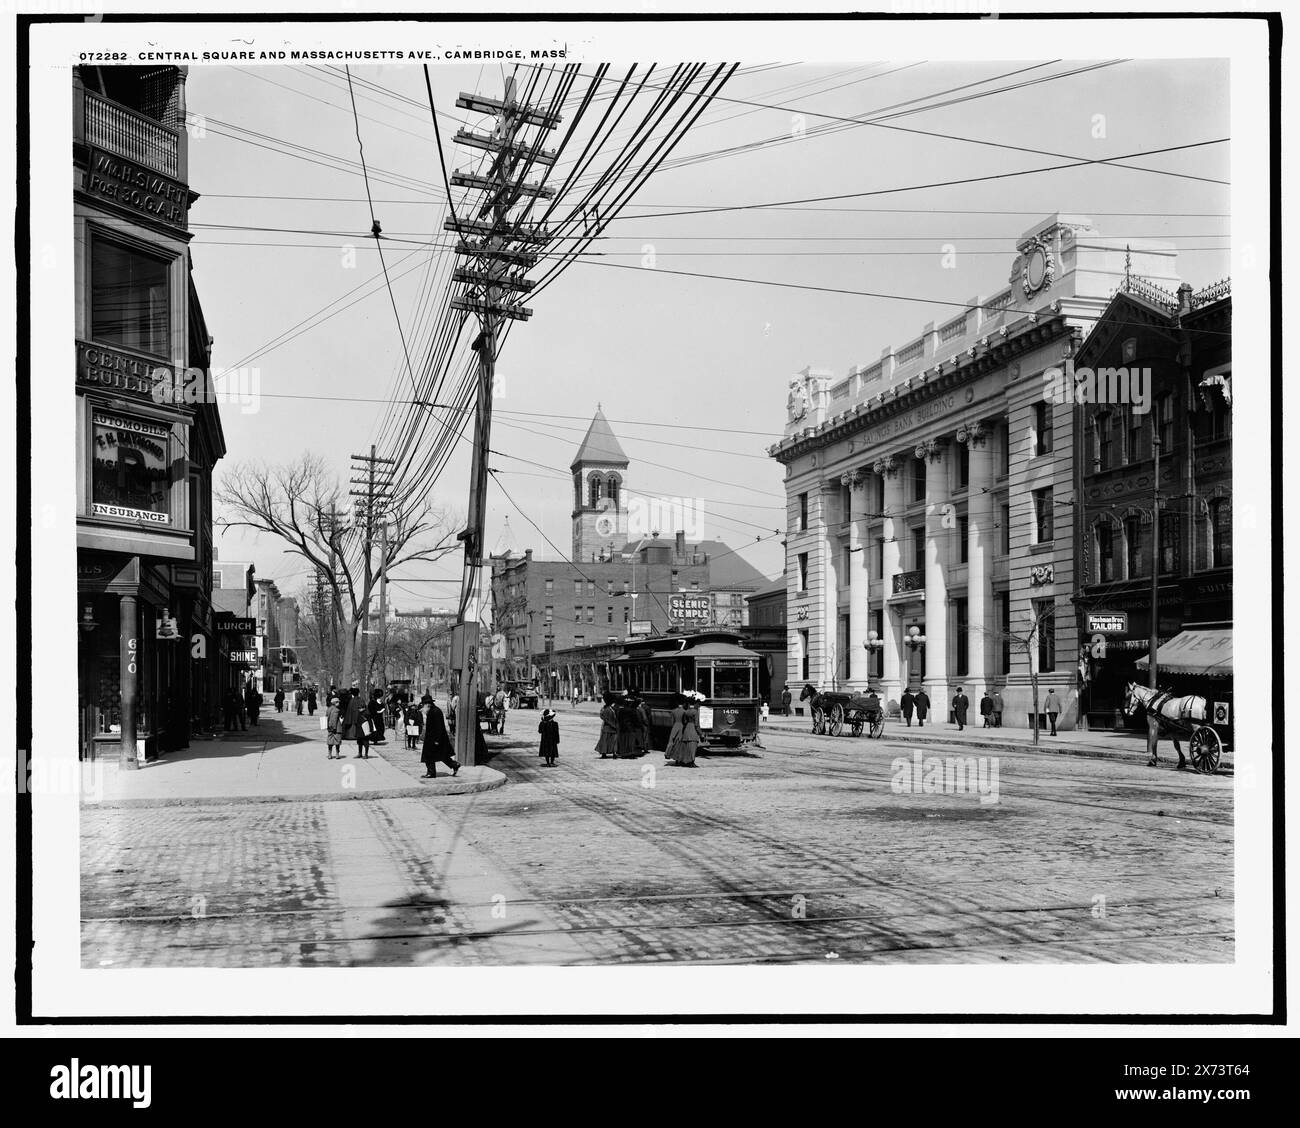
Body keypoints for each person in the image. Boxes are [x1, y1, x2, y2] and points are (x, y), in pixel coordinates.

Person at [419, 693, 460, 778]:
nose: (423, 706)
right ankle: (454, 765)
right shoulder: (432, 710)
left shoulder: (435, 711)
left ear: (427, 704)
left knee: (429, 756)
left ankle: (431, 773)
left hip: (435, 739)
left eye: (424, 704)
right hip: (433, 738)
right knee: (442, 755)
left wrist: (436, 740)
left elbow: (439, 727)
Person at [666, 693, 702, 767]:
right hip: (685, 728)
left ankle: (675, 758)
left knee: (675, 742)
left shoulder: (675, 711)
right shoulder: (689, 711)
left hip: (676, 727)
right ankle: (688, 760)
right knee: (685, 745)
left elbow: (673, 722)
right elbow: (693, 723)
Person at [343, 688, 369, 758]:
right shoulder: (361, 700)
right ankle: (363, 753)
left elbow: (349, 712)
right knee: (363, 739)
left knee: (361, 738)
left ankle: (362, 753)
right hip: (362, 721)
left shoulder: (352, 701)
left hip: (357, 722)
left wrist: (349, 721)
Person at [595, 693, 619, 758]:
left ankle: (604, 753)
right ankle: (614, 752)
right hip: (613, 727)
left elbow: (601, 716)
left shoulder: (604, 708)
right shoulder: (613, 709)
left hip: (606, 726)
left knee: (604, 741)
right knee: (613, 741)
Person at [325, 693, 343, 760]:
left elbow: (327, 717)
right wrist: (334, 727)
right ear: (335, 703)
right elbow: (334, 719)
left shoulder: (328, 709)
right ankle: (337, 754)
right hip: (336, 728)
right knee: (337, 741)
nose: (339, 703)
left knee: (330, 741)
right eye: (338, 702)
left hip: (329, 727)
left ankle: (329, 754)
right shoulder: (336, 710)